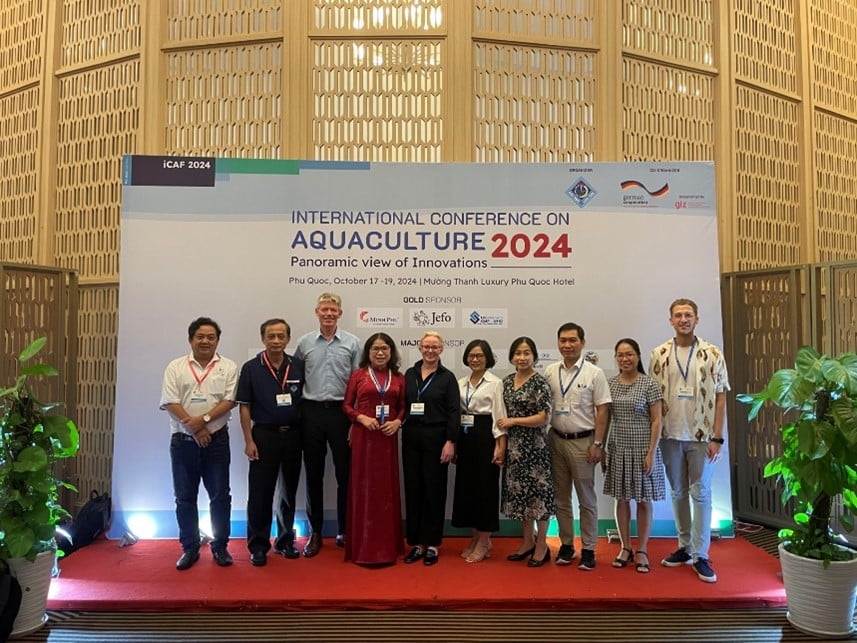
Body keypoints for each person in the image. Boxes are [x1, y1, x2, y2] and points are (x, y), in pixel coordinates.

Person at [649, 298, 730, 583]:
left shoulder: (712, 353)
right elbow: (653, 399)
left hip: (701, 436)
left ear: (696, 319)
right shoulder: (659, 354)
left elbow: (721, 396)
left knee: (702, 493)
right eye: (678, 315)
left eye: (688, 315)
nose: (683, 319)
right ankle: (684, 546)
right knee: (678, 492)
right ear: (670, 320)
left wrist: (717, 437)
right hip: (670, 435)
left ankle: (701, 554)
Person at [160, 317, 238, 570]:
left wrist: (202, 422)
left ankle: (220, 547)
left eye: (210, 337)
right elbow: (170, 401)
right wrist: (193, 429)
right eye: (200, 337)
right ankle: (190, 548)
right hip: (183, 442)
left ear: (217, 340)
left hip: (217, 441)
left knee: (220, 496)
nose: (205, 341)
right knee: (184, 497)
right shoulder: (176, 367)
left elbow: (229, 401)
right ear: (191, 339)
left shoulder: (228, 366)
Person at [294, 293, 361, 557]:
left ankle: (344, 530)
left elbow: (358, 384)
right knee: (313, 475)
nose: (329, 314)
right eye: (324, 309)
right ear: (317, 312)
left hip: (341, 413)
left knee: (345, 475)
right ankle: (316, 532)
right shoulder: (304, 343)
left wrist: (354, 419)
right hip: (311, 413)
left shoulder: (353, 343)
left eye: (333, 310)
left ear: (340, 314)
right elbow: (296, 381)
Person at [236, 318, 305, 567]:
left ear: (288, 339)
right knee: (260, 494)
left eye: (281, 336)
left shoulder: (298, 366)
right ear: (263, 339)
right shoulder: (251, 368)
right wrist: (248, 440)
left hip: (294, 436)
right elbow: (244, 406)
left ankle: (285, 541)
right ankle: (258, 546)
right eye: (271, 336)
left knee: (288, 492)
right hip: (264, 436)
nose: (276, 341)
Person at [543, 323, 611, 571]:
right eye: (563, 340)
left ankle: (589, 548)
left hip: (584, 442)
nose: (567, 345)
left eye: (572, 340)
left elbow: (603, 410)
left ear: (582, 342)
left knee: (586, 499)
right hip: (555, 439)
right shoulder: (550, 371)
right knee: (561, 498)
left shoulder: (594, 373)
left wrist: (598, 443)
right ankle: (567, 545)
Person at [342, 333, 406, 565]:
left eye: (385, 348)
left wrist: (398, 422)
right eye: (375, 349)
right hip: (364, 438)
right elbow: (346, 406)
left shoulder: (398, 377)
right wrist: (360, 418)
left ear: (391, 352)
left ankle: (387, 548)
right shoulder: (358, 375)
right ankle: (363, 548)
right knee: (364, 488)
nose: (380, 353)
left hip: (387, 438)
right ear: (368, 352)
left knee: (386, 489)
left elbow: (403, 407)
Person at [603, 338, 665, 573]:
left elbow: (657, 420)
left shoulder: (649, 384)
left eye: (629, 354)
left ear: (638, 356)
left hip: (643, 449)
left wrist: (651, 452)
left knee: (643, 499)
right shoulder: (610, 384)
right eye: (620, 355)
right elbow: (605, 418)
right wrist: (602, 447)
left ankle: (642, 549)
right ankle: (625, 547)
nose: (625, 359)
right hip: (618, 448)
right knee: (621, 499)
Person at [402, 331, 459, 566]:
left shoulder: (447, 377)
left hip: (437, 438)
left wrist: (450, 441)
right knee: (413, 489)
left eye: (435, 347)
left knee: (434, 491)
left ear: (441, 349)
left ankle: (433, 544)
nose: (430, 351)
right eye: (426, 346)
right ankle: (417, 543)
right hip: (411, 437)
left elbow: (454, 412)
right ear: (419, 348)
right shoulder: (409, 374)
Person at [497, 336, 555, 568]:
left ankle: (542, 545)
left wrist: (514, 421)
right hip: (514, 449)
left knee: (539, 497)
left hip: (535, 448)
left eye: (526, 353)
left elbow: (544, 417)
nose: (522, 357)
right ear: (512, 357)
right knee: (521, 496)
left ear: (534, 357)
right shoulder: (506, 382)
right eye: (518, 353)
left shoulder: (539, 382)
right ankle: (527, 541)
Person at [451, 339, 507, 563]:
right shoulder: (460, 382)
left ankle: (484, 540)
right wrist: (455, 442)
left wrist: (500, 445)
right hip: (466, 437)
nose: (475, 359)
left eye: (480, 356)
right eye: (472, 355)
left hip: (486, 436)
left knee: (485, 489)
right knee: (469, 490)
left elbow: (499, 416)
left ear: (488, 358)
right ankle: (476, 537)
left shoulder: (495, 383)